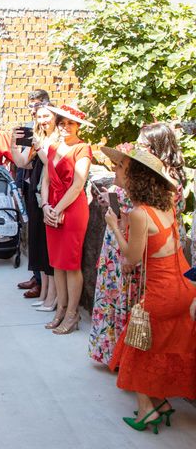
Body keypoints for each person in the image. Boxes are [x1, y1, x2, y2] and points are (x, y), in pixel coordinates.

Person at [101, 145, 196, 432]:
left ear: (134, 177)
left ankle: (147, 412)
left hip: (162, 291)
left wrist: (115, 225)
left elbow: (130, 259)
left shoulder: (141, 213)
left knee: (137, 347)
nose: (115, 170)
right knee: (165, 346)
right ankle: (161, 402)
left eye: (120, 168)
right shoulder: (164, 206)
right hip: (185, 285)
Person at [89, 123, 187, 365]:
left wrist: (116, 222)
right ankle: (117, 356)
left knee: (134, 303)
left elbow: (151, 217)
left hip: (143, 248)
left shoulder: (164, 179)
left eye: (144, 144)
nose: (138, 148)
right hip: (126, 241)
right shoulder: (139, 173)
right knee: (117, 299)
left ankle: (131, 360)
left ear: (158, 146)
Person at [41, 104, 93, 335]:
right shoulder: (52, 147)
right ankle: (60, 309)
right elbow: (45, 181)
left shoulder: (82, 148)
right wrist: (45, 206)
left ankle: (72, 314)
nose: (65, 127)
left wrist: (57, 209)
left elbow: (78, 184)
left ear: (78, 125)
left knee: (71, 264)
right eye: (61, 122)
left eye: (70, 123)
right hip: (52, 206)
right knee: (56, 263)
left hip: (72, 209)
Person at [10, 104, 57, 305]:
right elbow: (23, 163)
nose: (42, 120)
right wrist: (13, 145)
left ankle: (50, 295)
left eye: (46, 116)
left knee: (48, 247)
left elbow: (52, 163)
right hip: (35, 192)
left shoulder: (58, 139)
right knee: (37, 242)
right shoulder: (38, 137)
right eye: (39, 117)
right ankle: (44, 290)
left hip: (51, 196)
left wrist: (38, 146)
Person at [15, 90, 50, 292]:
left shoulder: (51, 130)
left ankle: (42, 282)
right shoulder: (29, 128)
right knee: (33, 232)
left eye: (37, 105)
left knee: (42, 236)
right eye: (31, 106)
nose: (33, 110)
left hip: (45, 184)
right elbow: (22, 160)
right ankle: (36, 276)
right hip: (29, 180)